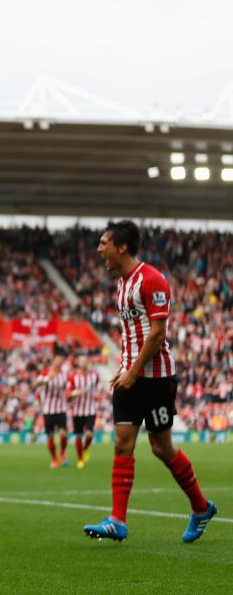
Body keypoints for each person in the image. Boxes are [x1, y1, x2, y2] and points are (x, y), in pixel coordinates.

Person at [84, 220, 217, 543]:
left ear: (122, 247)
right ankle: (117, 520)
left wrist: (133, 371)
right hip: (128, 375)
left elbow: (157, 334)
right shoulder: (121, 284)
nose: (99, 249)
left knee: (161, 447)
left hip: (155, 379)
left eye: (104, 243)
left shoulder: (152, 279)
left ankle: (201, 508)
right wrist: (125, 369)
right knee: (122, 443)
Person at [36, 354, 70, 468]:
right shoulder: (46, 372)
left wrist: (70, 395)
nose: (59, 363)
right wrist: (47, 378)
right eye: (57, 361)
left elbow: (67, 389)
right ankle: (54, 459)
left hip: (61, 409)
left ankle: (62, 453)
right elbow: (36, 383)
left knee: (63, 433)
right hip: (48, 410)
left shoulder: (63, 375)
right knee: (50, 436)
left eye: (61, 361)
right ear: (54, 361)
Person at [66, 354, 99, 468]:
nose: (83, 363)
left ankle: (85, 449)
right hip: (77, 411)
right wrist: (76, 392)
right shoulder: (73, 377)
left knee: (89, 434)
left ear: (88, 362)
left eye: (85, 360)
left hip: (90, 410)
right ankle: (80, 459)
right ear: (78, 363)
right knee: (79, 435)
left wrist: (97, 396)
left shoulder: (94, 376)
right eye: (81, 361)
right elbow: (67, 395)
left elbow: (97, 388)